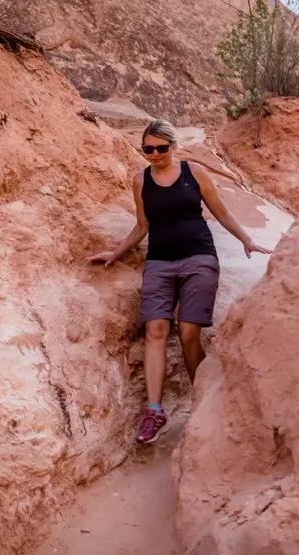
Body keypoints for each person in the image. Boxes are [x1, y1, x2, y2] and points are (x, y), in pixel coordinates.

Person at [88, 119, 272, 444]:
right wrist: (116, 253)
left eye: (161, 148)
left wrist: (246, 239)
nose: (154, 154)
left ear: (173, 146)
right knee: (155, 328)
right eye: (148, 149)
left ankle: (201, 403)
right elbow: (142, 225)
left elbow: (222, 212)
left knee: (188, 333)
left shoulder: (193, 173)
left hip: (199, 256)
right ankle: (155, 411)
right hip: (159, 261)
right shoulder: (140, 180)